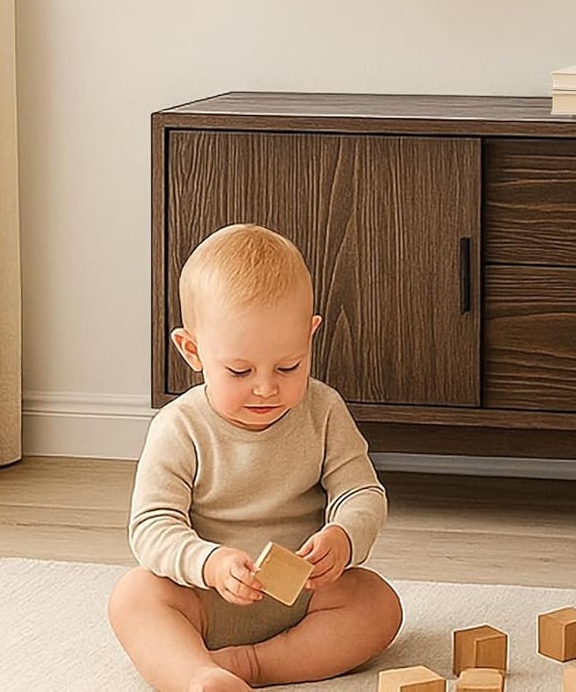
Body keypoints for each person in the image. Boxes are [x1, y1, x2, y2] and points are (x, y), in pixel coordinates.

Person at [108, 224, 402, 692]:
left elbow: (361, 491)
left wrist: (344, 537)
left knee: (380, 605)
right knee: (133, 597)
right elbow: (151, 526)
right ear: (192, 350)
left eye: (289, 366)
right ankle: (198, 675)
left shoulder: (324, 411)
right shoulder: (179, 426)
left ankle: (251, 665)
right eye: (240, 371)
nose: (267, 387)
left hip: (305, 596)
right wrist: (207, 563)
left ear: (310, 337)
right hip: (204, 597)